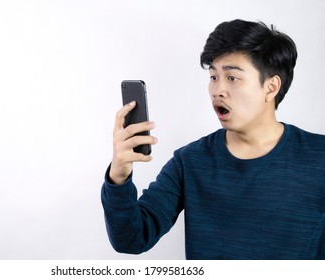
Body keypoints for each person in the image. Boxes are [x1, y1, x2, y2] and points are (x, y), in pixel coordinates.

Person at [101, 19, 325, 259]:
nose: (217, 90)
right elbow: (132, 238)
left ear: (271, 87)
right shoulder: (189, 161)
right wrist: (119, 175)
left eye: (232, 78)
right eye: (213, 77)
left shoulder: (319, 157)